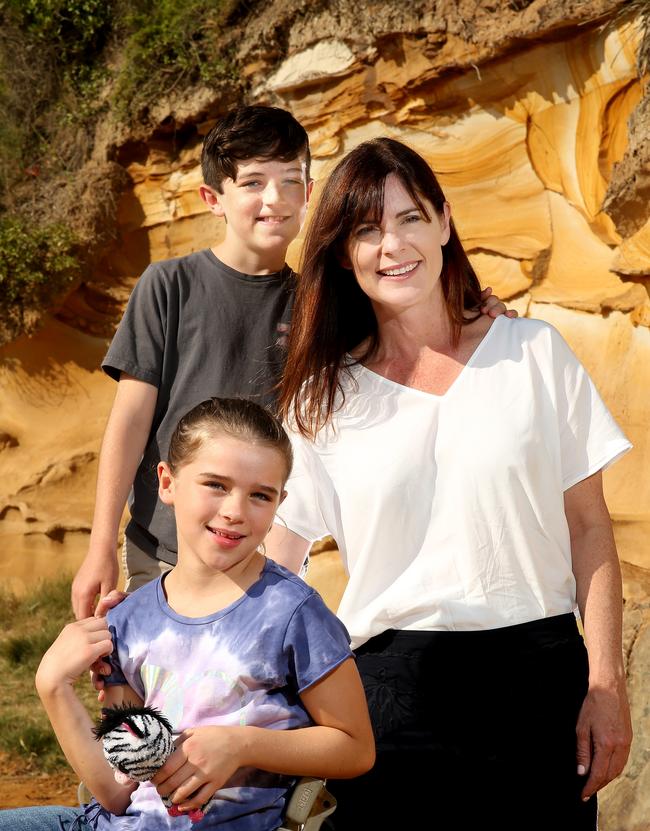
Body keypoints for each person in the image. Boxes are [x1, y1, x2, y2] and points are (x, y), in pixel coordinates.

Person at [264, 137, 633, 831]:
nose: (391, 244)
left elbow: (590, 528)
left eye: (409, 218)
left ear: (445, 221)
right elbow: (281, 554)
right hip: (389, 697)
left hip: (539, 688)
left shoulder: (534, 353)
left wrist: (606, 684)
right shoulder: (319, 398)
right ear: (342, 254)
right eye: (366, 230)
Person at [70, 104, 514, 620]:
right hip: (165, 552)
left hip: (266, 559)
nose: (274, 199)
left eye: (290, 181)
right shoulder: (169, 286)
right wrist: (101, 542)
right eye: (253, 182)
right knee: (156, 697)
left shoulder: (323, 305)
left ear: (309, 193)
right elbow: (130, 421)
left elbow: (408, 328)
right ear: (213, 198)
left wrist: (476, 310)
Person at [0, 397, 375, 831]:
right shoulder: (129, 619)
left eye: (261, 494)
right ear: (167, 482)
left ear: (281, 501)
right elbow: (118, 790)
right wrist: (52, 686)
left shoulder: (292, 613)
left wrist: (241, 744)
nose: (236, 510)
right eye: (216, 485)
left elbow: (355, 748)